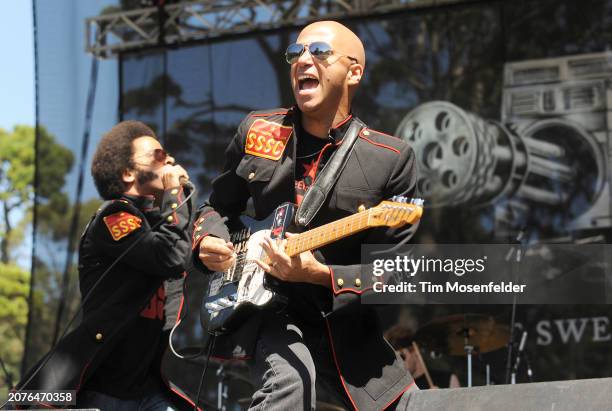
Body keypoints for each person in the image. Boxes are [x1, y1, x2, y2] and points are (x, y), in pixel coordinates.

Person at [193, 20, 420, 410]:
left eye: (319, 52)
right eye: (295, 53)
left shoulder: (390, 158)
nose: (303, 60)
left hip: (346, 332)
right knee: (291, 386)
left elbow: (394, 273)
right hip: (268, 313)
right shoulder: (258, 130)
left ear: (354, 72)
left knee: (414, 405)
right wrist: (207, 240)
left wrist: (318, 274)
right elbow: (215, 207)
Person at [16, 121, 194, 410]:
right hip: (105, 391)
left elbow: (185, 246)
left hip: (149, 387)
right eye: (157, 155)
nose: (169, 160)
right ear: (127, 173)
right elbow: (171, 256)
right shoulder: (114, 216)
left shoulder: (159, 222)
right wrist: (175, 194)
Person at [385, 324, 461, 389]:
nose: (399, 364)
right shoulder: (396, 390)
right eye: (394, 360)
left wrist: (441, 399)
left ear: (415, 350)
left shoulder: (448, 379)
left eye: (402, 357)